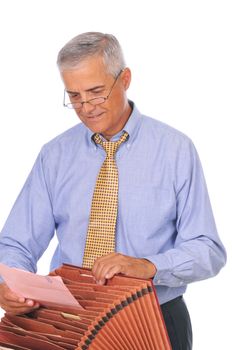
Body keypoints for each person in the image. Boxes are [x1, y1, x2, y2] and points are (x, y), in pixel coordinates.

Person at [0, 32, 226, 349]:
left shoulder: (175, 150)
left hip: (155, 320)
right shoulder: (55, 155)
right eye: (75, 96)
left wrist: (149, 266)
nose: (86, 107)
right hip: (70, 322)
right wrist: (9, 285)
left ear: (125, 79)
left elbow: (208, 251)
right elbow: (15, 243)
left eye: (96, 92)